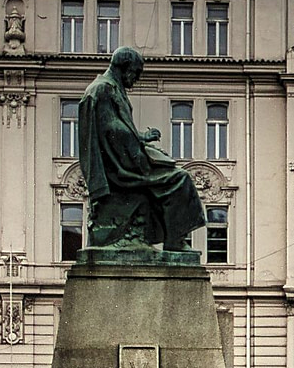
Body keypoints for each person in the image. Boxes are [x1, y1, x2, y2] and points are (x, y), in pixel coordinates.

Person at [77, 47, 206, 253]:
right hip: (120, 168)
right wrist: (142, 149)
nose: (136, 79)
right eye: (136, 73)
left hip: (126, 159)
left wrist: (142, 138)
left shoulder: (112, 88)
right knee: (180, 179)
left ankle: (170, 239)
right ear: (124, 67)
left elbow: (118, 127)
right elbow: (112, 130)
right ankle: (174, 241)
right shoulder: (102, 89)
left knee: (174, 174)